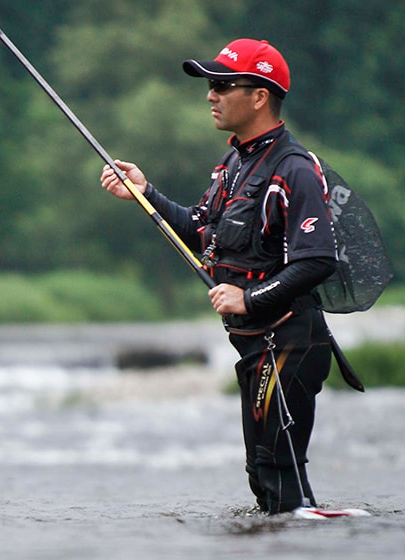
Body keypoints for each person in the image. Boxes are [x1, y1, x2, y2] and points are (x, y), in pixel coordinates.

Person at [100, 38, 338, 514]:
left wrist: (248, 299)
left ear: (259, 96)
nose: (211, 95)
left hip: (290, 342)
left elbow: (317, 260)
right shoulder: (235, 162)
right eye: (211, 85)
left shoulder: (294, 170)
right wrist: (146, 193)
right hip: (255, 344)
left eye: (223, 86)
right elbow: (199, 230)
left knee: (278, 472)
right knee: (261, 476)